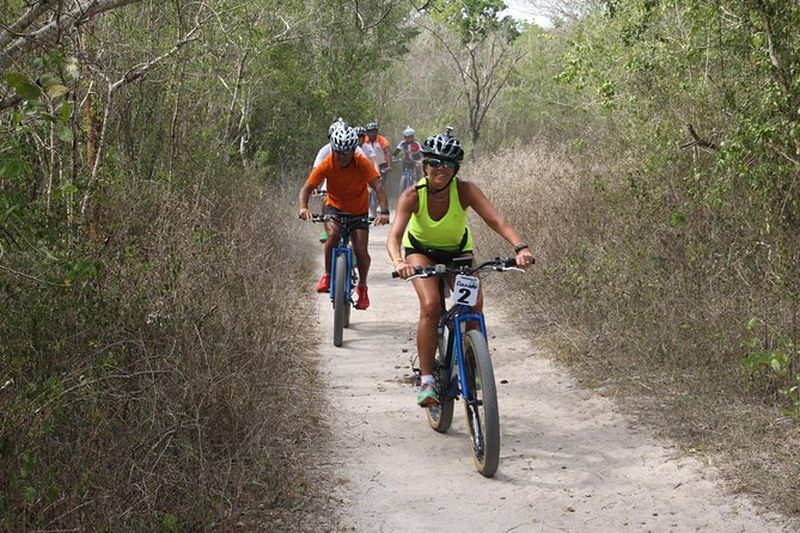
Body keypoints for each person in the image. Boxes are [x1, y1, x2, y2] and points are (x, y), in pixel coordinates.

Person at [386, 133, 534, 406]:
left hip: (458, 253)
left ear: (456, 169)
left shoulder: (465, 190)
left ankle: (473, 362)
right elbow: (394, 235)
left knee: (473, 305)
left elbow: (497, 220)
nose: (441, 168)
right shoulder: (412, 195)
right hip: (421, 252)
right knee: (431, 306)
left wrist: (520, 247)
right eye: (435, 162)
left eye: (448, 164)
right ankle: (428, 380)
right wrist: (399, 262)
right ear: (425, 165)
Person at [299, 126, 390, 310]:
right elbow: (307, 187)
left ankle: (362, 288)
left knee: (360, 250)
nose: (341, 157)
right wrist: (303, 207)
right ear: (333, 149)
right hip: (335, 208)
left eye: (346, 153)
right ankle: (326, 274)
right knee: (332, 237)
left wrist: (384, 212)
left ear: (352, 151)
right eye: (338, 152)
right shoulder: (328, 163)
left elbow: (379, 187)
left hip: (359, 211)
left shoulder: (362, 163)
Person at [363, 122, 392, 215]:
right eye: (370, 132)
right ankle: (369, 208)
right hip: (370, 165)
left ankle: (381, 204)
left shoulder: (382, 140)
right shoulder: (364, 141)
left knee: (381, 185)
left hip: (382, 164)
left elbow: (387, 152)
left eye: (374, 131)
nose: (372, 134)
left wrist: (389, 165)